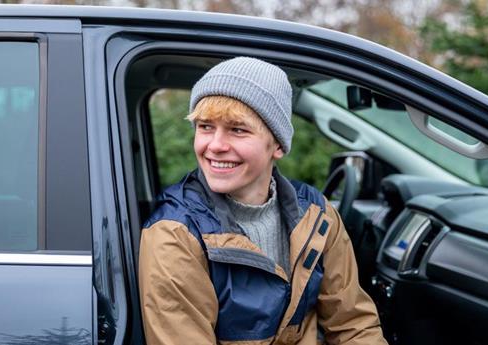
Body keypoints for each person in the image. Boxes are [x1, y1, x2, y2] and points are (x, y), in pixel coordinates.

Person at [139, 57, 387, 344]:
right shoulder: (176, 232)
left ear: (278, 144)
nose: (215, 145)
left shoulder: (318, 216)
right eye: (205, 126)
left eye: (238, 129)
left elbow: (354, 326)